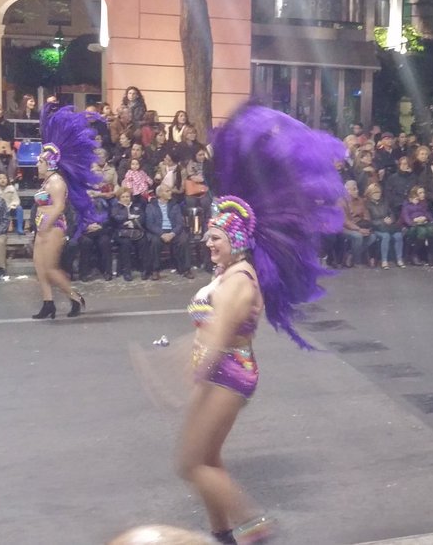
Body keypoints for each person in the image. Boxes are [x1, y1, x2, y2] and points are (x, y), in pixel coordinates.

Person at [176, 104, 344, 545]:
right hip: (224, 371)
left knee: (191, 463)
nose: (206, 243)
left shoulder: (237, 283)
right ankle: (223, 533)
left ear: (235, 239)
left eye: (214, 237)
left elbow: (214, 342)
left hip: (226, 374)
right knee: (205, 459)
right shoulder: (230, 276)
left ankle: (255, 528)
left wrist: (174, 371)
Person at [31, 104, 101, 319]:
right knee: (39, 267)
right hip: (43, 228)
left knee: (51, 268)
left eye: (41, 161)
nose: (37, 164)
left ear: (50, 164)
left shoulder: (57, 182)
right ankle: (48, 303)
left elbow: (60, 206)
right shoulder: (47, 182)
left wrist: (45, 225)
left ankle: (75, 297)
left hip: (53, 228)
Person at [143, 183, 192, 280]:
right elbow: (149, 224)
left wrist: (172, 233)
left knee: (183, 239)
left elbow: (179, 223)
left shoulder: (175, 205)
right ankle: (155, 270)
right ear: (160, 193)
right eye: (167, 191)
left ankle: (186, 269)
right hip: (158, 232)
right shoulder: (151, 206)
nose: (170, 193)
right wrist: (162, 234)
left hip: (173, 231)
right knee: (154, 241)